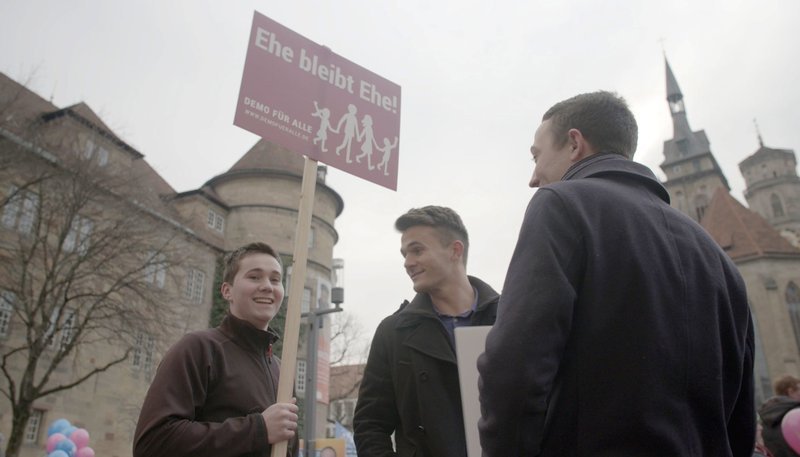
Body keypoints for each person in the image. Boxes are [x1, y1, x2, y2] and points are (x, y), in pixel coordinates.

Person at [477, 91, 755, 456]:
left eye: (536, 155)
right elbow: (741, 413)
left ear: (575, 143)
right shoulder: (718, 257)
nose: (534, 177)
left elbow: (513, 369)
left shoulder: (561, 205)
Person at [353, 206, 499, 457]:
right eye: (405, 254)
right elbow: (370, 425)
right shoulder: (393, 332)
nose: (407, 263)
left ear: (455, 251)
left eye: (417, 250)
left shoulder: (511, 319)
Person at [133, 242, 299, 457]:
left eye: (275, 279)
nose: (267, 286)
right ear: (227, 291)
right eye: (254, 277)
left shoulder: (281, 371)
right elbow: (152, 443)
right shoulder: (198, 349)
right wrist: (258, 429)